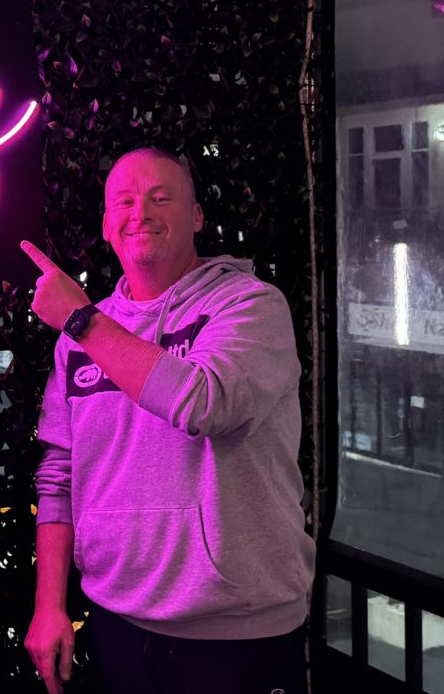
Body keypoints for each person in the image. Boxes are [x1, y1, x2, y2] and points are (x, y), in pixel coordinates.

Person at [19, 148, 315, 694]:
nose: (141, 213)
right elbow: (60, 473)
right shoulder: (82, 337)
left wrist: (82, 320)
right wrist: (47, 606)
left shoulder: (249, 306)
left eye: (161, 197)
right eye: (125, 202)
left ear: (197, 216)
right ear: (107, 226)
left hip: (237, 632)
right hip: (118, 622)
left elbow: (208, 403)